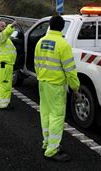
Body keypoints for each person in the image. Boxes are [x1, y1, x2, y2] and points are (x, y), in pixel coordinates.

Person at [34, 15, 81, 162]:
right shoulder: (63, 44)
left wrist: (42, 76)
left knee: (46, 114)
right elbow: (70, 70)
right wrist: (75, 87)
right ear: (62, 27)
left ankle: (47, 143)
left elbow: (36, 64)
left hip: (42, 83)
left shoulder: (40, 42)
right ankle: (52, 150)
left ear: (49, 25)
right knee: (57, 117)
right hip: (56, 86)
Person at [0, 20, 17, 109]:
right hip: (4, 65)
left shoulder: (0, 36)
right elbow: (6, 33)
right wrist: (12, 26)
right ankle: (4, 104)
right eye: (2, 26)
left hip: (1, 64)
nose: (5, 28)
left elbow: (6, 35)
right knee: (5, 85)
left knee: (0, 83)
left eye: (5, 26)